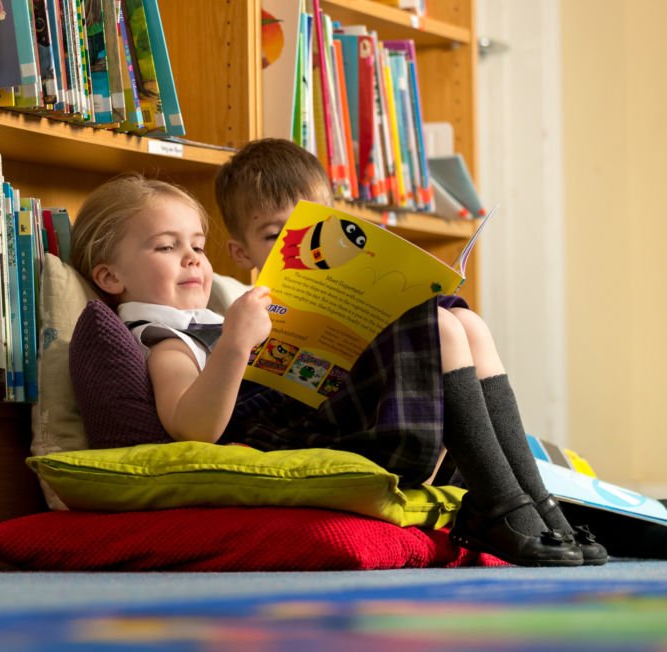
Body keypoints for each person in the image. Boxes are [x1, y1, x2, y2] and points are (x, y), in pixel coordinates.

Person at [69, 166, 602, 568]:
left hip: (303, 407)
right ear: (111, 277)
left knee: (464, 324)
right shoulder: (165, 342)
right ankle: (499, 506)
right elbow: (193, 427)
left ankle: (534, 502)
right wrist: (234, 343)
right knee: (435, 329)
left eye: (198, 246)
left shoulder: (217, 313)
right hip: (276, 435)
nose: (192, 258)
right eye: (167, 246)